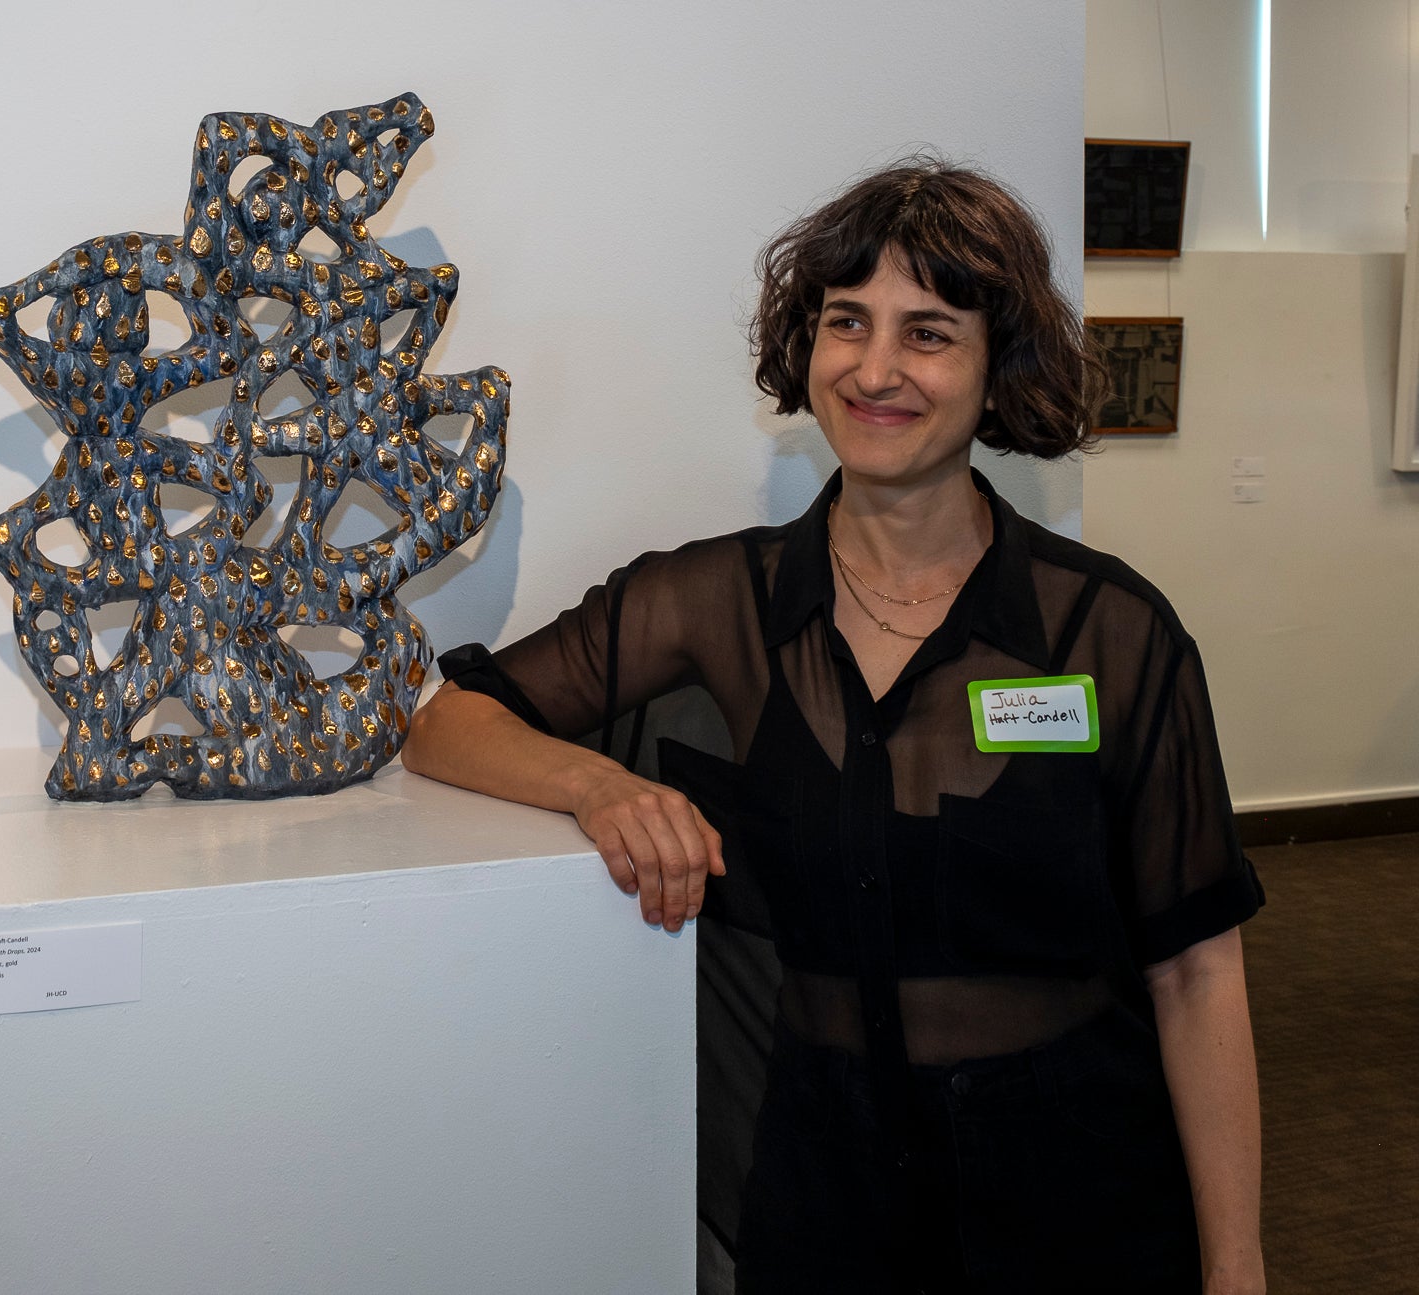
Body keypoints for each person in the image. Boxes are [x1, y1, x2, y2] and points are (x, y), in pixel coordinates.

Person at [401, 159, 1265, 1294]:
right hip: (821, 1192)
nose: (874, 368)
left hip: (1074, 1192)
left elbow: (1196, 971)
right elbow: (439, 722)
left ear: (996, 365)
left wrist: (1236, 1264)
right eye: (845, 322)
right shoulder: (713, 601)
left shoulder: (1109, 630)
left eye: (927, 332)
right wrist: (598, 788)